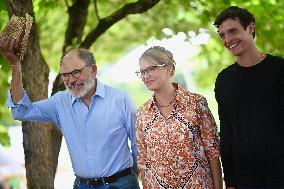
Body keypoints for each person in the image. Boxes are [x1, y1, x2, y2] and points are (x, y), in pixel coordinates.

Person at [0, 38, 140, 189]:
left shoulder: (121, 100)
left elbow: (139, 143)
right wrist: (15, 66)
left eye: (76, 72)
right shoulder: (59, 102)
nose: (71, 80)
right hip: (82, 185)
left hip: (121, 184)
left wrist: (131, 176)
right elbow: (21, 111)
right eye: (65, 75)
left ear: (93, 70)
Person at [214, 6, 284, 189]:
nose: (228, 40)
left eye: (233, 31)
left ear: (250, 28)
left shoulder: (279, 70)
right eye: (222, 35)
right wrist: (230, 182)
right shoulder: (223, 80)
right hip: (245, 179)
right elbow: (227, 133)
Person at [135, 46, 223, 189]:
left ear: (168, 69)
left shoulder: (196, 103)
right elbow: (144, 163)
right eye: (142, 71)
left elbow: (213, 153)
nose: (145, 75)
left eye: (151, 69)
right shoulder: (142, 114)